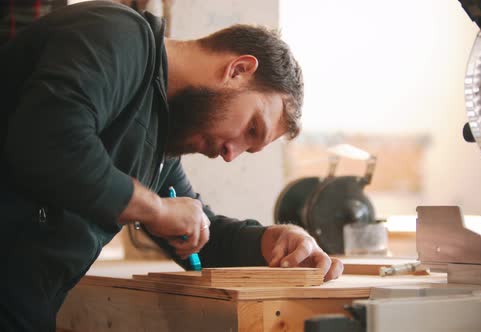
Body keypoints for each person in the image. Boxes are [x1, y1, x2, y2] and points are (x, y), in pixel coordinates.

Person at [0, 1, 343, 331]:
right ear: (238, 70)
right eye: (251, 129)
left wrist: (272, 240)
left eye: (248, 150)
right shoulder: (117, 34)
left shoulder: (159, 147)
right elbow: (47, 140)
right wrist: (156, 209)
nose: (230, 154)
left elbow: (200, 239)